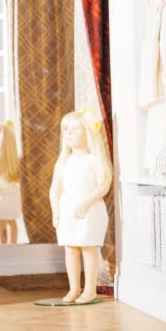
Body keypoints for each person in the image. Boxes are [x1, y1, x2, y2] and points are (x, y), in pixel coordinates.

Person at [49, 110, 112, 304]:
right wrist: (55, 212)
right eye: (65, 129)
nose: (68, 133)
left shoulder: (94, 160)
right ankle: (74, 288)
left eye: (74, 129)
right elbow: (55, 189)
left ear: (87, 132)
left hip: (90, 211)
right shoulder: (64, 161)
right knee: (70, 248)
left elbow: (103, 185)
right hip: (68, 210)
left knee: (87, 248)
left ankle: (90, 289)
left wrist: (86, 202)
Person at [0, 123, 22, 244]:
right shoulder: (16, 158)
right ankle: (13, 244)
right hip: (14, 193)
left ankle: (1, 244)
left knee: (0, 222)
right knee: (12, 221)